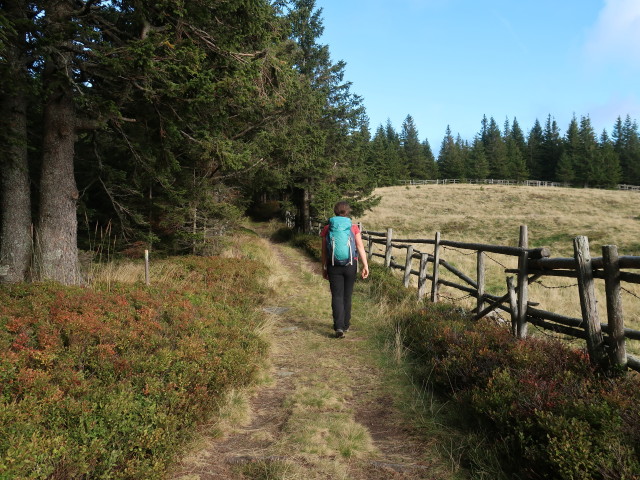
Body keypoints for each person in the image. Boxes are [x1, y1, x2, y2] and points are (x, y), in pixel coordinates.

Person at [321, 201, 369, 338]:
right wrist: (365, 265)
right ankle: (346, 324)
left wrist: (324, 267)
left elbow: (324, 251)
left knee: (336, 295)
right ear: (347, 212)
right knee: (347, 295)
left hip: (333, 265)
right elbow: (360, 247)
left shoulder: (328, 228)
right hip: (350, 265)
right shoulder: (353, 228)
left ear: (335, 212)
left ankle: (339, 327)